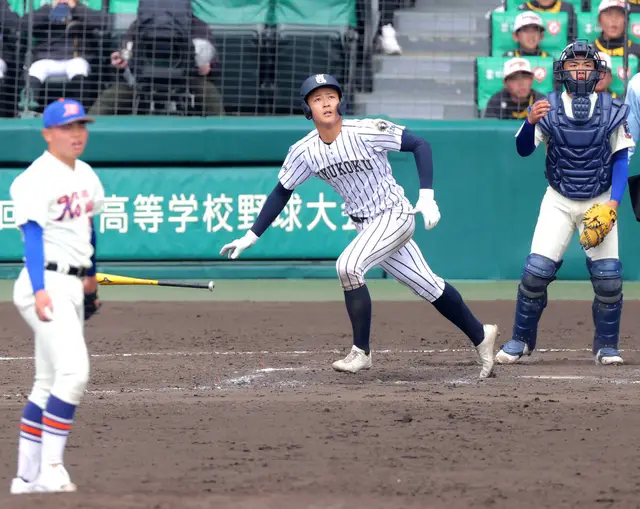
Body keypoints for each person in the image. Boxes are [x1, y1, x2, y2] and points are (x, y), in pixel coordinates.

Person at [219, 73, 499, 378]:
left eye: (330, 96)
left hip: (394, 215)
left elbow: (420, 144)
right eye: (317, 99)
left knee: (348, 266)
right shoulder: (304, 150)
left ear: (340, 100)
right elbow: (282, 191)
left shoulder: (366, 130)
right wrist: (252, 235)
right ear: (307, 108)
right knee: (428, 285)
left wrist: (427, 197)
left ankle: (361, 352)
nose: (326, 103)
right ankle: (480, 334)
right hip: (366, 227)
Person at [496, 40, 634, 366]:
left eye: (586, 65)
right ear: (563, 71)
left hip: (599, 200)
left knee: (608, 279)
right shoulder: (546, 107)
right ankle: (521, 340)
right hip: (558, 199)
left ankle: (607, 346)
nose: (580, 71)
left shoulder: (614, 110)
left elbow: (620, 160)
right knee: (535, 274)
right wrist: (530, 122)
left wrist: (613, 204)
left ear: (597, 71)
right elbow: (523, 150)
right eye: (573, 65)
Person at [9, 98, 104, 494]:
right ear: (48, 134)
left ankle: (26, 477)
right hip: (43, 283)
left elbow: (88, 227)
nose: (76, 133)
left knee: (47, 381)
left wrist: (91, 275)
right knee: (74, 372)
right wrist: (40, 290)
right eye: (67, 127)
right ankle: (51, 469)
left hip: (72, 284)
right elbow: (31, 237)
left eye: (80, 125)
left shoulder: (86, 174)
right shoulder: (35, 179)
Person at [20, 0, 104, 112]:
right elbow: (23, 24)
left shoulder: (81, 9)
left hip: (75, 58)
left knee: (79, 68)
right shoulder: (46, 9)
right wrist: (50, 8)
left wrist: (75, 7)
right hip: (47, 57)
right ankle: (28, 110)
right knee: (35, 69)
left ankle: (79, 110)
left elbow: (103, 22)